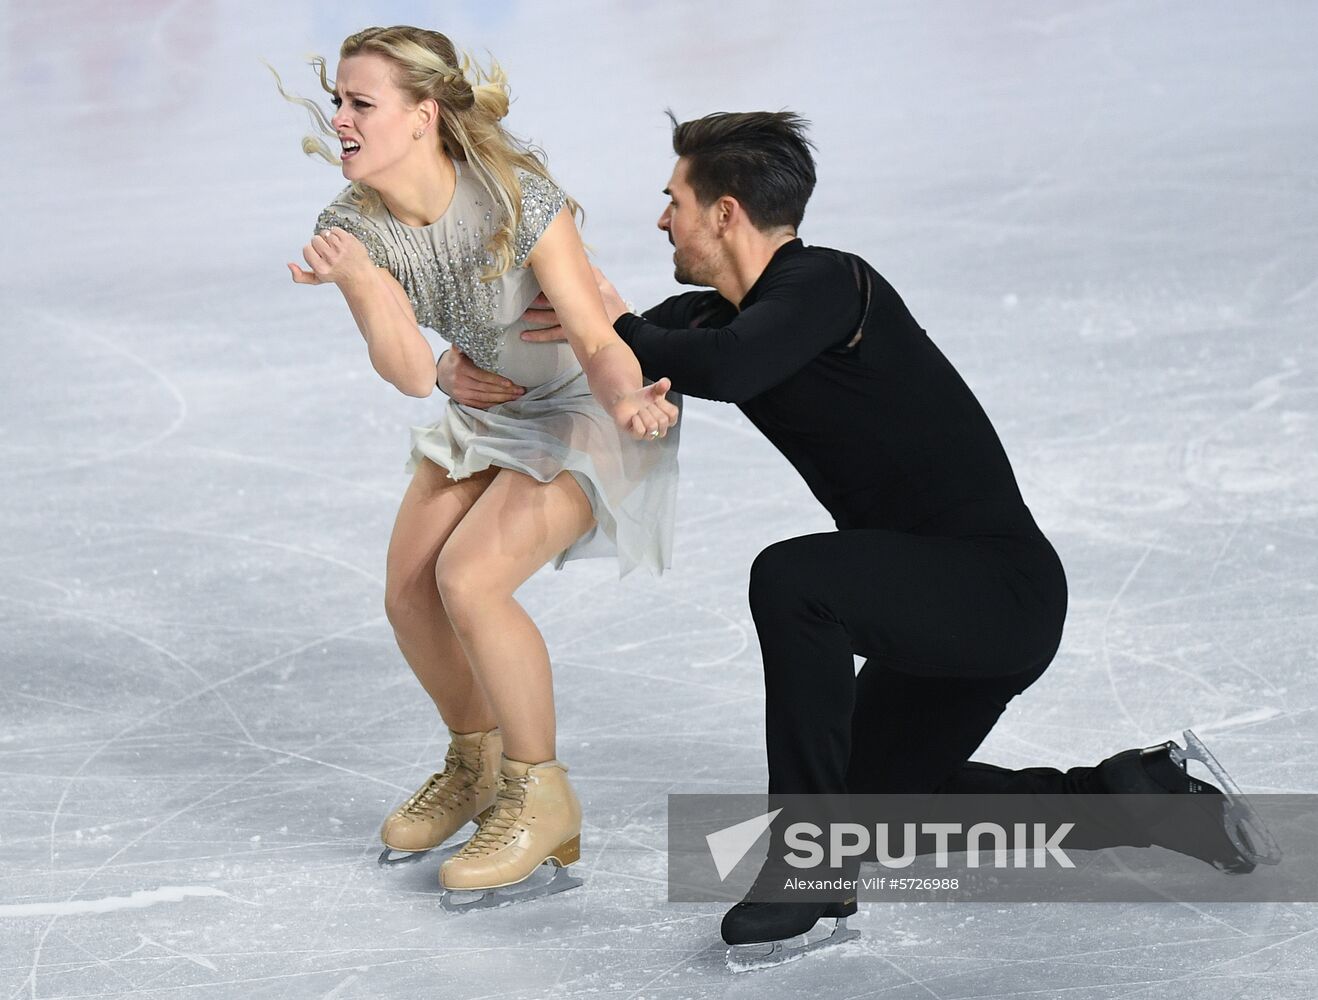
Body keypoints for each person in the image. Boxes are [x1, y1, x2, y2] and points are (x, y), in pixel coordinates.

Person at [440, 111, 1278, 950]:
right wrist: (468, 361)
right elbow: (614, 352)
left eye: (675, 202)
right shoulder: (710, 319)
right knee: (869, 810)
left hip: (997, 586)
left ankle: (808, 873)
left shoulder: (831, 285)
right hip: (932, 596)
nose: (663, 220)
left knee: (794, 580)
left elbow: (724, 366)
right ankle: (1144, 794)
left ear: (726, 212)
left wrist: (620, 326)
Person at [273, 25, 680, 905]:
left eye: (359, 103)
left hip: (582, 408)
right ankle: (478, 763)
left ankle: (542, 795)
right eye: (338, 100)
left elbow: (597, 332)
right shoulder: (351, 226)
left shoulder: (514, 194)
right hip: (483, 416)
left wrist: (628, 401)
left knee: (472, 579)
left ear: (423, 116)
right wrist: (361, 284)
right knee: (408, 590)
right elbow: (413, 372)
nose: (337, 117)